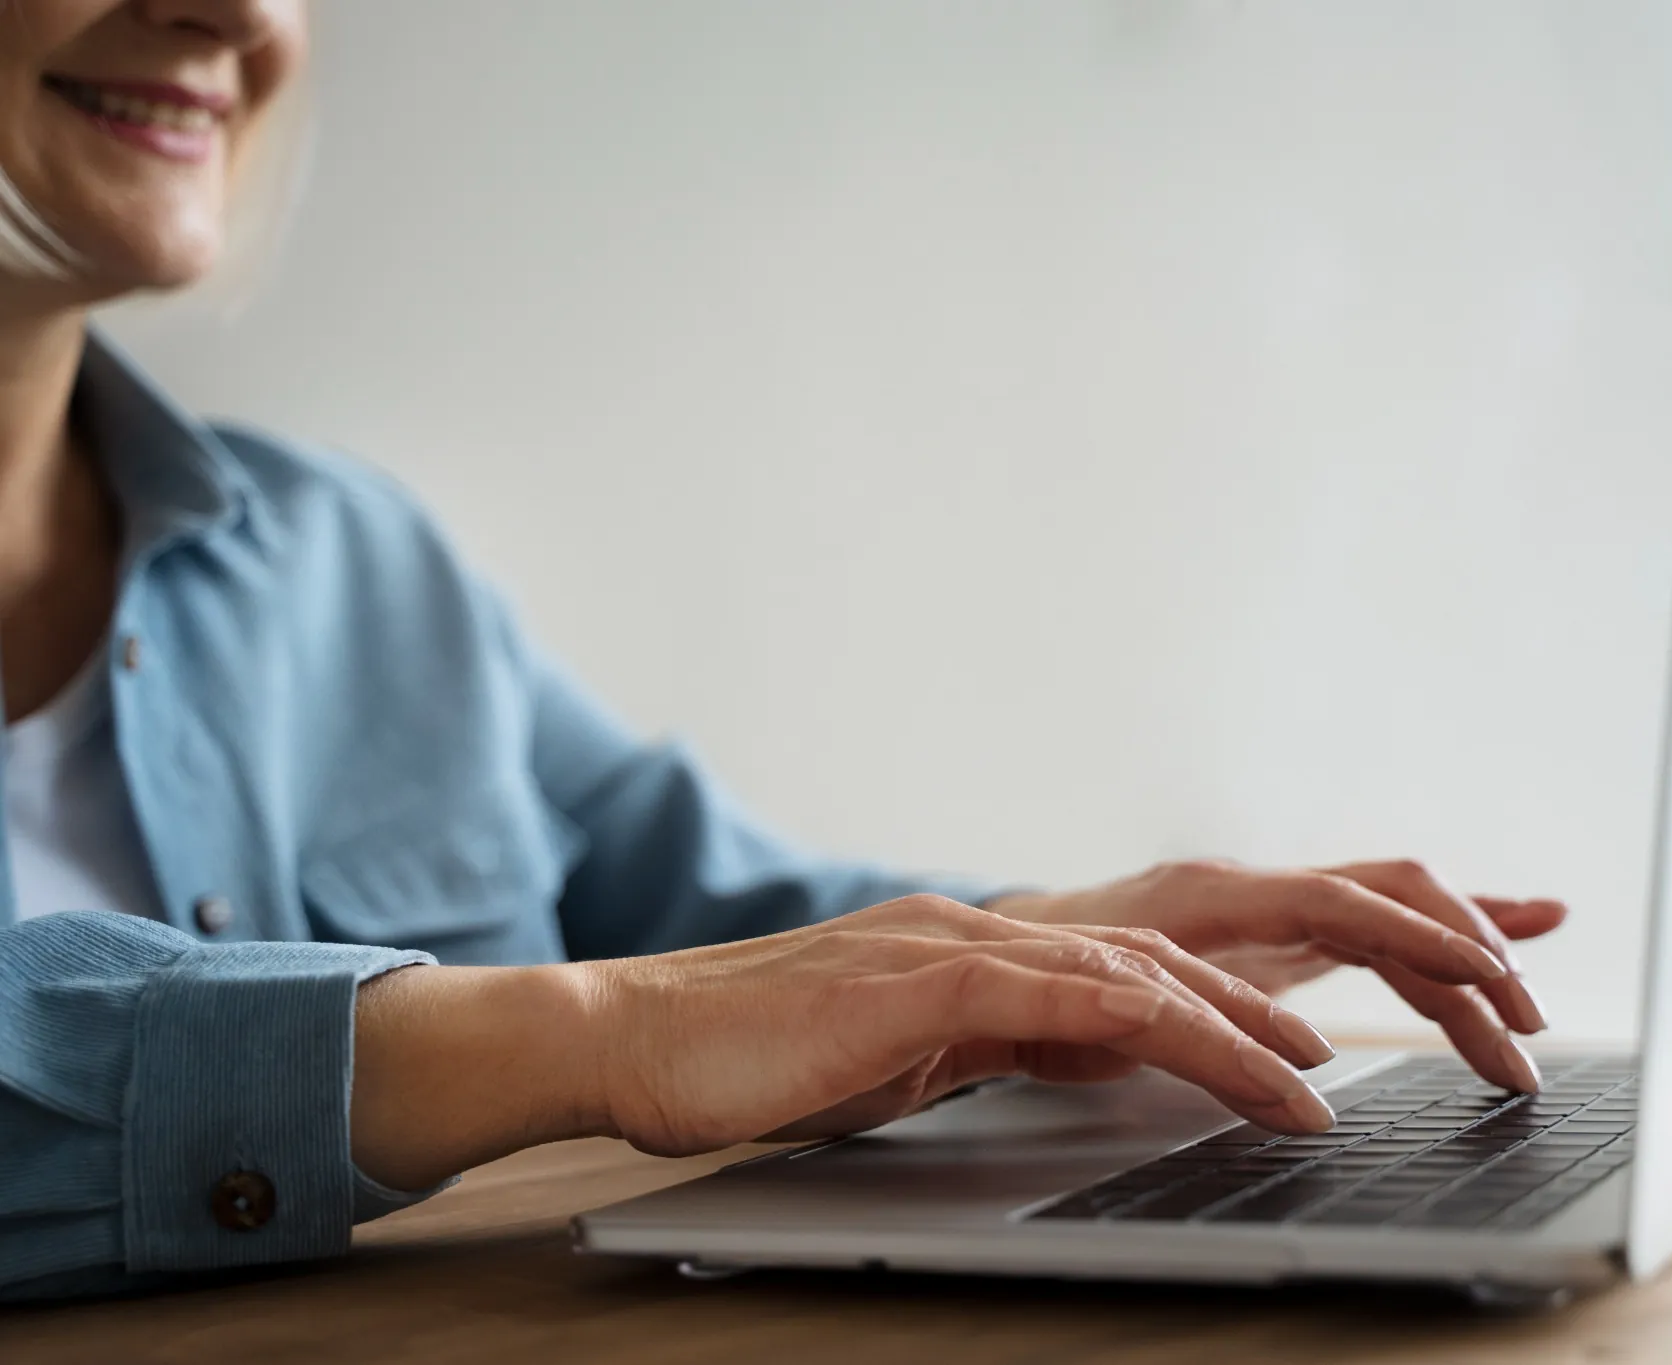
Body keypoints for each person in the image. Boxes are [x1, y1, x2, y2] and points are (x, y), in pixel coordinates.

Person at [0, 0, 1565, 1302]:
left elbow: (698, 912)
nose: (241, 16)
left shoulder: (348, 555)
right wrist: (602, 1033)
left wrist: (1046, 955)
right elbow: (654, 1005)